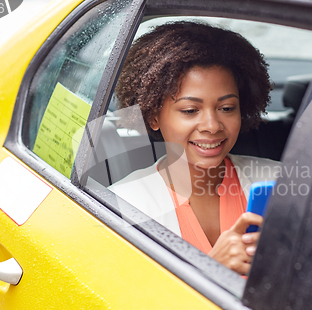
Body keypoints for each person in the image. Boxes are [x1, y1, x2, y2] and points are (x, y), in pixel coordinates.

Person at [109, 21, 280, 275]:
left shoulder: (279, 182)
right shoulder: (120, 206)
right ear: (153, 116)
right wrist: (212, 271)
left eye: (227, 108)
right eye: (190, 110)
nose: (212, 125)